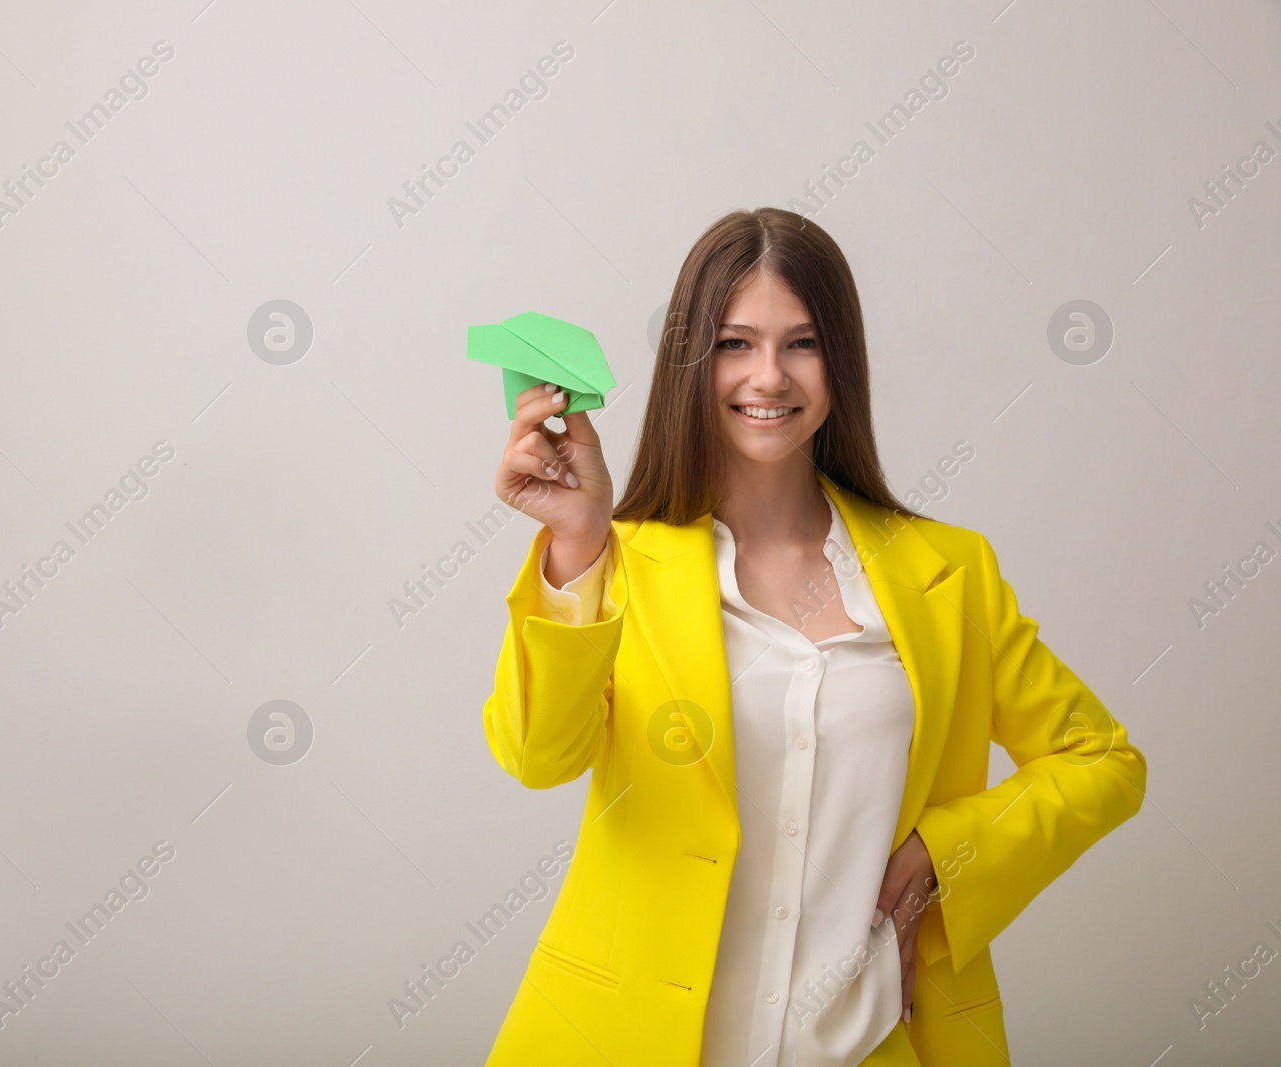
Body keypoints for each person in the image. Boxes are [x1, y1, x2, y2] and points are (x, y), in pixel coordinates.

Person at [480, 208, 1147, 1067]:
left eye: (801, 342)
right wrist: (577, 541)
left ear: (840, 362)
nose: (769, 376)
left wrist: (949, 850)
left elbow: (1104, 760)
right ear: (691, 362)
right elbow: (539, 755)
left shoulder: (947, 572)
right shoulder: (617, 562)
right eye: (734, 342)